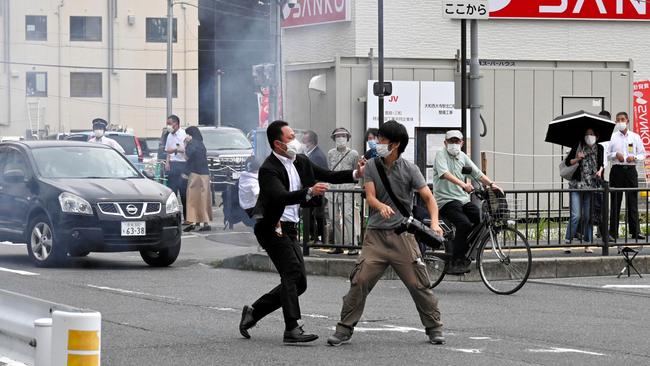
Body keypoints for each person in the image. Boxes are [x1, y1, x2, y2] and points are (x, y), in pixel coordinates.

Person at [239, 120, 364, 344]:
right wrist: (308, 191)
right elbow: (280, 196)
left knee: (300, 283)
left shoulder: (300, 160)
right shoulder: (269, 169)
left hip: (290, 228)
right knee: (291, 274)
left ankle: (254, 312)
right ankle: (291, 328)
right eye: (289, 137)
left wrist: (356, 173)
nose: (294, 140)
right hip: (272, 227)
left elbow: (327, 174)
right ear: (278, 144)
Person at [327, 120, 445, 347]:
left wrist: (435, 223)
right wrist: (380, 206)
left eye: (381, 140)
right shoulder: (371, 165)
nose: (377, 143)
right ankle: (343, 329)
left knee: (418, 283)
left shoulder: (410, 169)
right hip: (375, 236)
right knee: (360, 280)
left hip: (403, 236)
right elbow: (369, 196)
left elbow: (429, 198)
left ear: (395, 144)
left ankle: (434, 327)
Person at [433, 130, 502, 275]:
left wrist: (492, 185)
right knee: (463, 224)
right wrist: (463, 185)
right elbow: (445, 174)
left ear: (462, 143)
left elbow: (477, 173)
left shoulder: (463, 157)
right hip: (446, 200)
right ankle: (456, 260)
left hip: (462, 199)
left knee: (480, 219)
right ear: (445, 143)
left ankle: (462, 248)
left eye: (457, 141)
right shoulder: (441, 155)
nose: (454, 144)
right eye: (451, 141)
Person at [563, 128, 604, 254]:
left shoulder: (600, 148)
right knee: (576, 215)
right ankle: (568, 242)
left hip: (590, 186)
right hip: (576, 185)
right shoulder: (578, 145)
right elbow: (568, 162)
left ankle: (587, 243)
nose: (589, 136)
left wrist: (600, 171)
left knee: (588, 216)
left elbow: (601, 163)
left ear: (596, 136)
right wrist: (577, 158)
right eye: (586, 134)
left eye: (591, 134)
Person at [607, 111, 647, 241]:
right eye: (617, 120)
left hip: (630, 170)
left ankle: (635, 231)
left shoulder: (635, 137)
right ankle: (613, 233)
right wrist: (615, 155)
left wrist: (634, 157)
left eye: (622, 119)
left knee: (632, 202)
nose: (620, 122)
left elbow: (643, 154)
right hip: (617, 170)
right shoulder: (612, 137)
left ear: (628, 120)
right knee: (615, 202)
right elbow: (606, 154)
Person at [327, 127, 360, 255]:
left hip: (348, 190)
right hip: (333, 189)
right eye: (338, 136)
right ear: (334, 139)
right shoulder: (330, 153)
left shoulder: (354, 154)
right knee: (333, 218)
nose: (340, 138)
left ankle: (353, 246)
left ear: (347, 138)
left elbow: (356, 171)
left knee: (348, 216)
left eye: (343, 136)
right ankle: (338, 245)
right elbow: (330, 169)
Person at [183, 126, 212, 232]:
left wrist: (185, 144)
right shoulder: (201, 143)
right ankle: (205, 222)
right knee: (203, 198)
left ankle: (193, 221)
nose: (186, 136)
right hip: (205, 173)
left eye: (187, 134)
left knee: (192, 199)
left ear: (190, 134)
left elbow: (186, 156)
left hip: (195, 174)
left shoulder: (192, 143)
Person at [302, 130, 328, 244]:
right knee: (310, 214)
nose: (302, 142)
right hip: (313, 189)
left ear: (311, 141)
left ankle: (319, 238)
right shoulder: (311, 153)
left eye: (305, 140)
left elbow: (320, 174)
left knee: (317, 214)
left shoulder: (317, 155)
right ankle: (313, 237)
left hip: (317, 190)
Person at [164, 115, 189, 224]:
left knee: (184, 193)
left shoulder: (183, 134)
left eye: (170, 123)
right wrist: (167, 162)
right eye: (167, 123)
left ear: (176, 123)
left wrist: (175, 150)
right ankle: (172, 218)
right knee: (172, 193)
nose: (168, 126)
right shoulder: (169, 135)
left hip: (183, 164)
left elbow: (185, 150)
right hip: (173, 165)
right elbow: (167, 150)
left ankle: (187, 217)